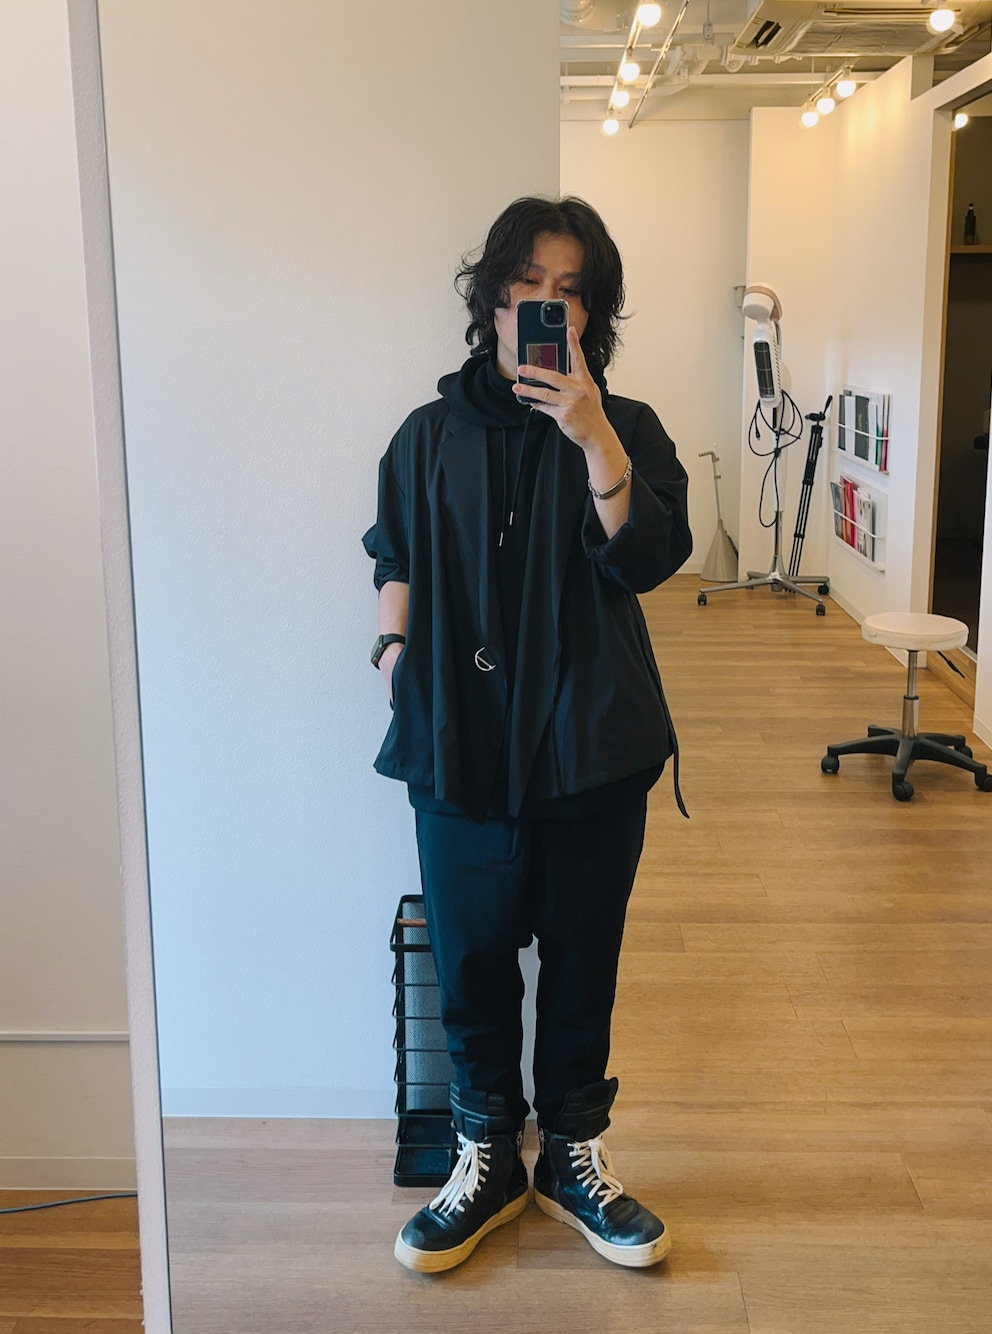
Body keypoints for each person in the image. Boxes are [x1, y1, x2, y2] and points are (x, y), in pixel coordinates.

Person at [363, 196, 692, 1274]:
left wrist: (591, 432)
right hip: (456, 743)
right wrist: (393, 650)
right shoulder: (426, 435)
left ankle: (573, 1157)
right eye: (529, 285)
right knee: (469, 964)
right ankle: (488, 1156)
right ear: (492, 299)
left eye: (571, 291)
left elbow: (648, 558)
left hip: (591, 746)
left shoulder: (627, 426)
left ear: (591, 314)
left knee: (583, 959)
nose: (548, 304)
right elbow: (394, 551)